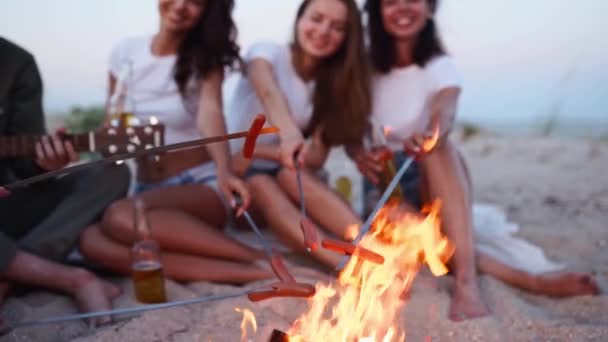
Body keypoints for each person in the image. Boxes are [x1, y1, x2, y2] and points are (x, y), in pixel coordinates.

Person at [348, 0, 600, 321]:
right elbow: (349, 131)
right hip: (385, 183)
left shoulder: (441, 67)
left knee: (439, 148)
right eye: (391, 2)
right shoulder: (364, 70)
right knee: (427, 237)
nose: (402, 8)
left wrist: (432, 133)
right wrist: (359, 153)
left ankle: (467, 284)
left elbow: (445, 111)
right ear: (376, 10)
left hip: (431, 174)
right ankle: (532, 281)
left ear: (429, 8)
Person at [78, 0, 276, 284]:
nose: (181, 6)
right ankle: (250, 273)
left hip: (198, 185)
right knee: (91, 241)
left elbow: (211, 111)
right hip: (147, 189)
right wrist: (93, 142)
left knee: (122, 217)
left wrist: (224, 169)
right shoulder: (124, 53)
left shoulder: (204, 59)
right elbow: (113, 123)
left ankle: (258, 257)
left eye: (195, 2)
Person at [227, 0, 372, 268]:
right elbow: (270, 93)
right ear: (299, 19)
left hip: (287, 174)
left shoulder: (333, 82)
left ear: (346, 38)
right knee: (263, 184)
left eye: (337, 27)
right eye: (316, 19)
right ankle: (344, 266)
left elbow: (315, 157)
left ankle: (371, 245)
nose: (323, 31)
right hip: (237, 178)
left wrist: (260, 151)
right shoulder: (266, 53)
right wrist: (288, 136)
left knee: (289, 175)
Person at [0, 37, 130, 322]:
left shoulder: (16, 63)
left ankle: (11, 274)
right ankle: (70, 278)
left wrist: (43, 163)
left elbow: (25, 170)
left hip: (7, 203)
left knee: (113, 172)